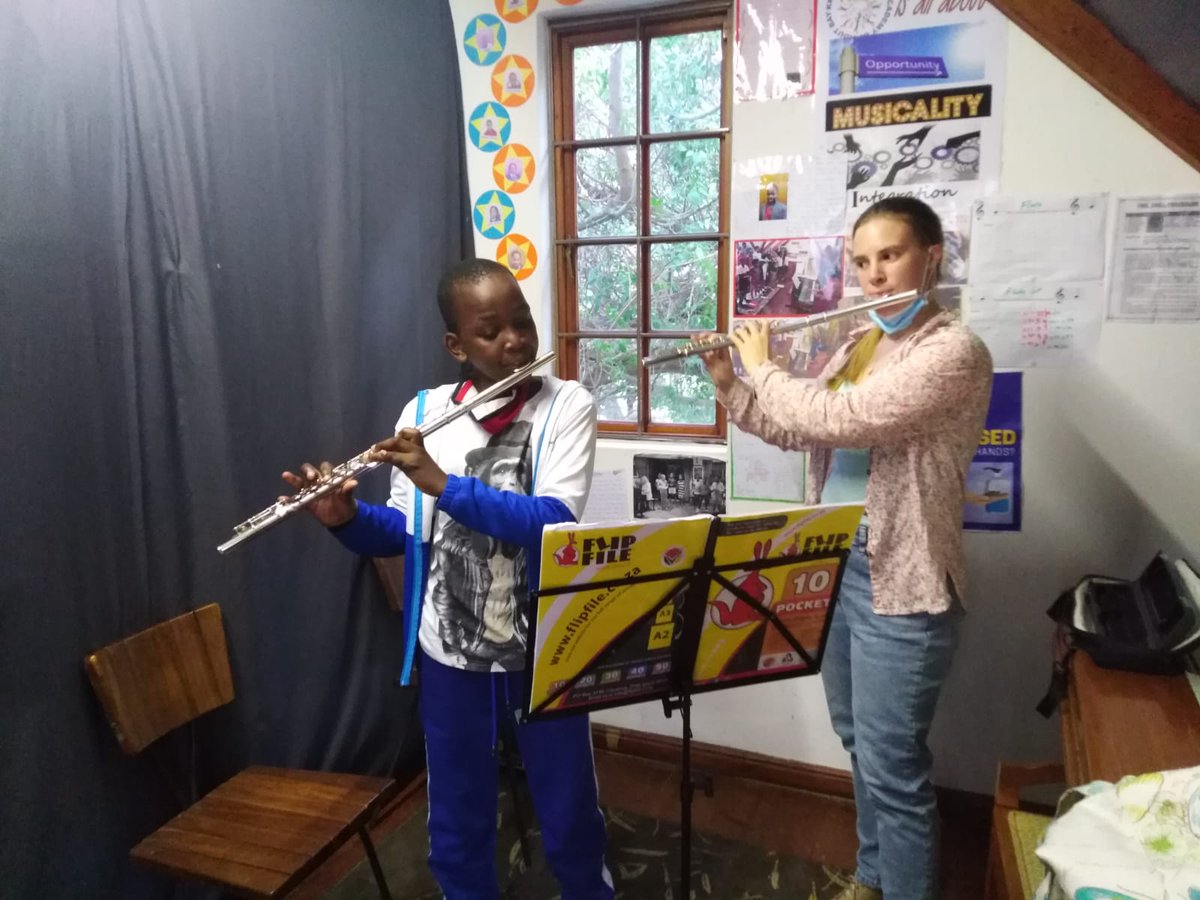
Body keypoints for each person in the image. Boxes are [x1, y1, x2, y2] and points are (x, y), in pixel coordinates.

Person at [283, 259, 612, 900]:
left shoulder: (567, 404)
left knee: (568, 806)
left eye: (522, 321)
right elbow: (407, 534)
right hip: (450, 653)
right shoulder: (425, 412)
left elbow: (551, 523)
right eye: (491, 332)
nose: (516, 340)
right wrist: (344, 519)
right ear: (456, 345)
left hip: (545, 650)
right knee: (456, 816)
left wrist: (442, 481)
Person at [696, 197, 993, 900]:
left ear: (931, 258)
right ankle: (872, 875)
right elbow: (804, 431)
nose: (874, 276)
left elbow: (844, 418)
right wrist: (729, 383)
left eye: (889, 256)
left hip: (905, 581)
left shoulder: (954, 351)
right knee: (858, 739)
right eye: (862, 262)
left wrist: (763, 366)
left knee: (895, 768)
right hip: (838, 567)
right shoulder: (861, 342)